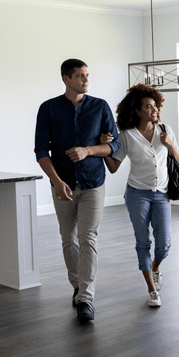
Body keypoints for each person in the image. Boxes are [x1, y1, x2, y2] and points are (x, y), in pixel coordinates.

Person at [34, 58, 120, 323]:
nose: (85, 80)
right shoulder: (48, 109)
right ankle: (77, 286)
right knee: (68, 238)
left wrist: (88, 150)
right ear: (66, 78)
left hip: (93, 182)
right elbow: (40, 151)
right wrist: (57, 181)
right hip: (63, 185)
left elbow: (114, 146)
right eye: (80, 76)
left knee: (88, 238)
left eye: (87, 75)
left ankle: (86, 298)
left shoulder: (100, 106)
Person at [102, 84, 179, 308]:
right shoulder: (127, 135)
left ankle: (155, 267)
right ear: (137, 110)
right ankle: (152, 290)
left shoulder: (165, 129)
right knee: (143, 241)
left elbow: (178, 159)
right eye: (148, 107)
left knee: (164, 244)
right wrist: (103, 148)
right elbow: (114, 167)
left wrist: (170, 143)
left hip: (162, 194)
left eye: (155, 106)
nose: (154, 110)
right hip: (137, 194)